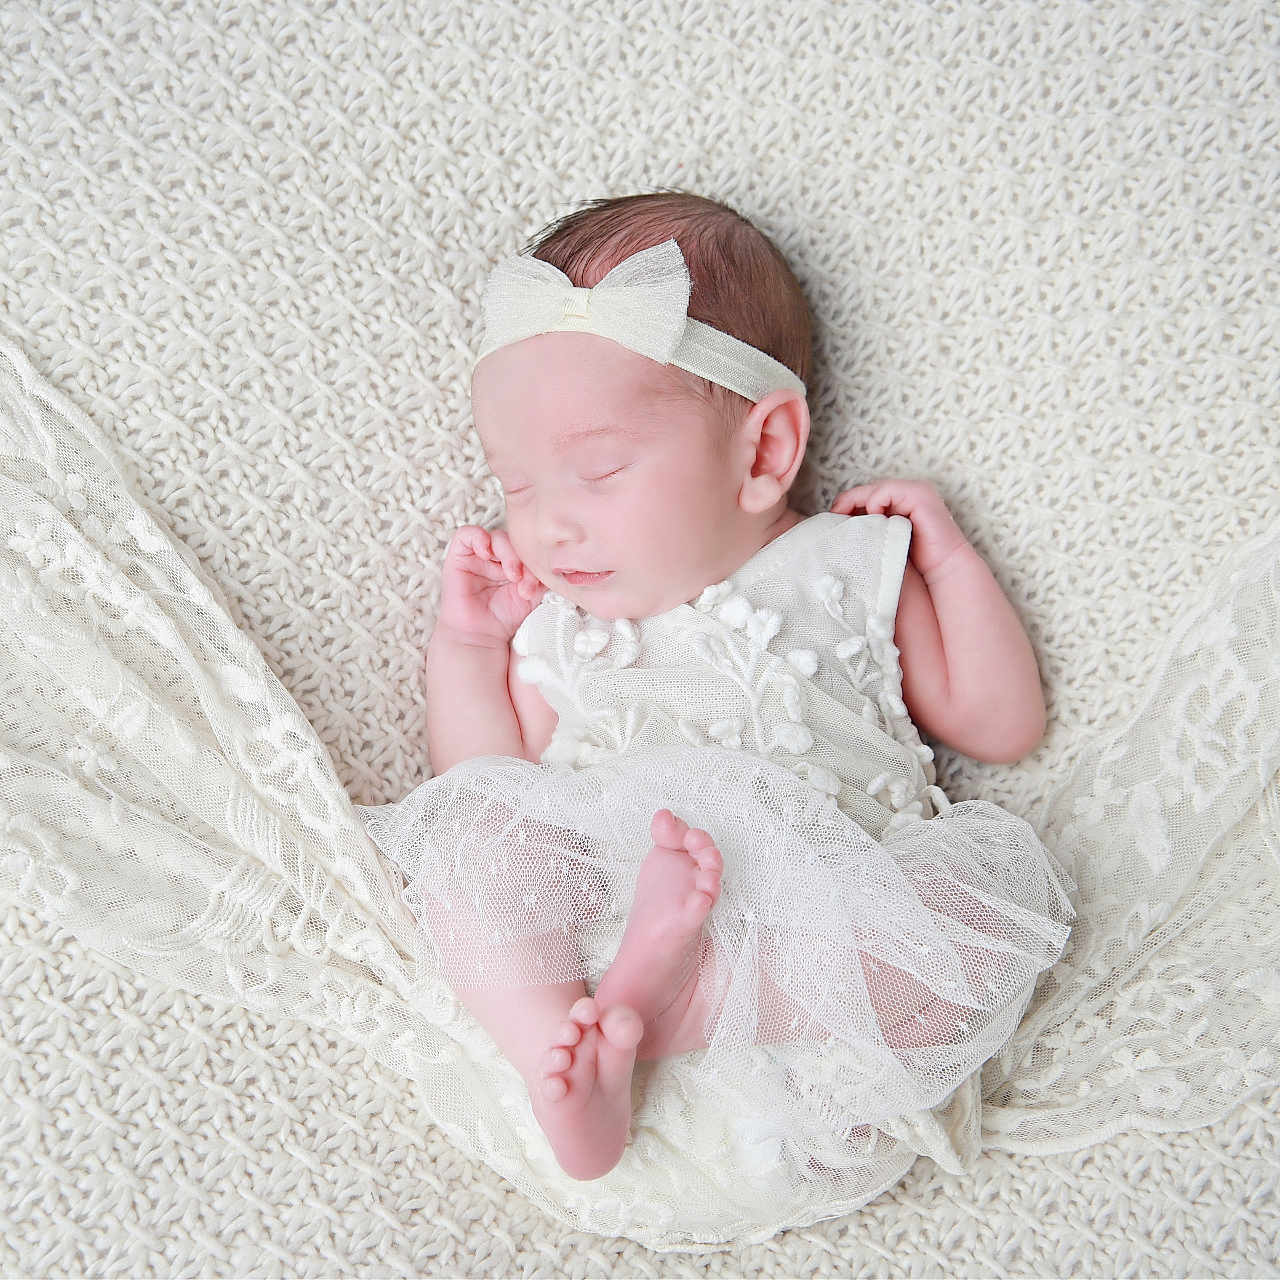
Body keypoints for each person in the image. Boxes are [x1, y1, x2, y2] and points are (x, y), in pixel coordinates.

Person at [357, 192, 1076, 1184]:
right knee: (469, 841)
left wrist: (947, 560)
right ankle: (559, 1064)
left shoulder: (849, 565)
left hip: (820, 1007)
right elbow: (486, 783)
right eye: (517, 485)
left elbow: (1002, 725)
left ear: (765, 451)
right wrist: (466, 647)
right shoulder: (561, 630)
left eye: (597, 469)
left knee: (992, 903)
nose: (548, 525)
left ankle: (670, 1008)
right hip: (600, 968)